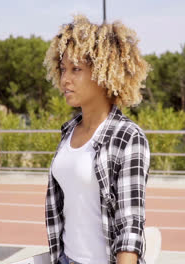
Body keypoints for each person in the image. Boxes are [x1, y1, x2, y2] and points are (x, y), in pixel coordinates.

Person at [43, 15, 151, 264]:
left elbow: (130, 227)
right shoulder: (68, 132)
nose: (64, 80)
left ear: (103, 73)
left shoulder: (127, 137)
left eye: (76, 69)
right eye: (62, 70)